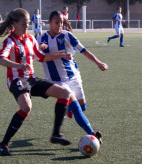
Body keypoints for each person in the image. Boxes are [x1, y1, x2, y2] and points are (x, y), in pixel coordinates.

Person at [0, 8, 102, 156]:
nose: (27, 27)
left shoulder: (30, 39)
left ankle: (56, 134)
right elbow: (1, 59)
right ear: (14, 24)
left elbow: (41, 57)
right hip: (17, 79)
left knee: (64, 93)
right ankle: (3, 144)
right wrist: (18, 65)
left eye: (28, 24)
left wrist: (61, 54)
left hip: (31, 79)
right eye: (24, 24)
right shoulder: (10, 41)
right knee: (26, 107)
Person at [37, 10, 107, 141]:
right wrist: (40, 48)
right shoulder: (40, 40)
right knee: (75, 107)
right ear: (49, 22)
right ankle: (93, 134)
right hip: (57, 81)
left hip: (73, 76)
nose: (59, 25)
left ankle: (68, 109)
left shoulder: (67, 36)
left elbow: (84, 51)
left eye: (61, 23)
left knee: (82, 107)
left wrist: (98, 62)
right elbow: (39, 58)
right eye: (57, 22)